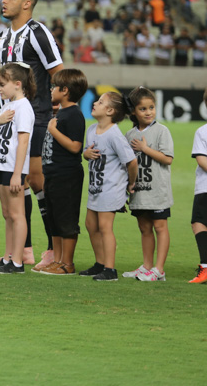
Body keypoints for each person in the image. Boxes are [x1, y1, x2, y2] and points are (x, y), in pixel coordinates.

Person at [0, 0, 64, 268]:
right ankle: (22, 250)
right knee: (17, 183)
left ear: (26, 3)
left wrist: (55, 109)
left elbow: (58, 72)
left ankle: (53, 248)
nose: (4, 0)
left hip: (36, 117)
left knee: (35, 180)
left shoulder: (37, 33)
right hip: (9, 120)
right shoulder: (1, 38)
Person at [0, 63, 36, 275]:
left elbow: (23, 142)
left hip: (13, 168)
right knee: (7, 213)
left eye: (2, 85)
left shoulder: (24, 107)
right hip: (0, 164)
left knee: (17, 214)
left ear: (17, 84)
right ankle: (7, 258)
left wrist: (18, 174)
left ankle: (17, 262)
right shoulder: (7, 106)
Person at [80, 92, 138, 282]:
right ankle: (99, 263)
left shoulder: (114, 135)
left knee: (105, 227)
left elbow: (131, 162)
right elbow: (87, 152)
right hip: (96, 187)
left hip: (111, 188)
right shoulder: (91, 129)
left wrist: (131, 183)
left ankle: (110, 269)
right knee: (90, 225)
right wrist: (86, 154)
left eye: (100, 102)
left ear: (110, 111)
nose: (95, 103)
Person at [36, 69, 87, 275]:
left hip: (67, 176)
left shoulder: (74, 114)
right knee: (54, 219)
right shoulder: (61, 112)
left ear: (65, 90)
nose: (50, 90)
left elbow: (76, 147)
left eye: (54, 86)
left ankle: (67, 263)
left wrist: (54, 131)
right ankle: (56, 260)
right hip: (53, 175)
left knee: (66, 220)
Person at [123, 87, 173, 282]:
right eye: (143, 109)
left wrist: (145, 148)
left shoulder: (162, 131)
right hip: (139, 191)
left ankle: (159, 269)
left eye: (151, 107)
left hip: (157, 191)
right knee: (144, 228)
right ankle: (146, 266)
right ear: (134, 112)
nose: (148, 112)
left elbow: (167, 159)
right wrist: (129, 183)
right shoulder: (129, 134)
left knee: (160, 227)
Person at [189, 89, 207, 284]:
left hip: (205, 188)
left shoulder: (203, 131)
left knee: (200, 223)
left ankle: (206, 268)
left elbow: (202, 160)